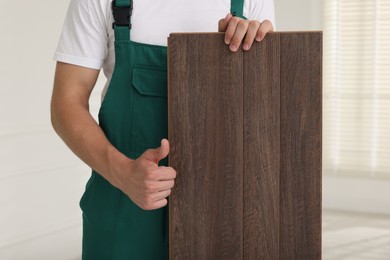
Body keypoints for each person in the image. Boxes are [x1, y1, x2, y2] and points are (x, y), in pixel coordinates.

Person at [51, 0, 275, 259]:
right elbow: (66, 103)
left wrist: (255, 50)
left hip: (221, 216)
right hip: (122, 208)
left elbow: (264, 110)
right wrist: (124, 174)